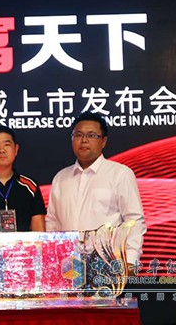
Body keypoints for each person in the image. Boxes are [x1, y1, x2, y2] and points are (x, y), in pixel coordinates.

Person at [46, 111, 146, 267]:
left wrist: (130, 262)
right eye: (78, 135)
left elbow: (134, 221)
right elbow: (52, 223)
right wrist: (52, 261)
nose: (84, 140)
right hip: (68, 266)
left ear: (103, 141)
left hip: (107, 266)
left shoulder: (119, 174)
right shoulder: (61, 178)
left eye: (91, 135)